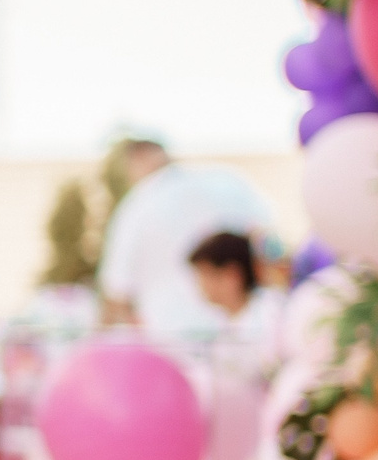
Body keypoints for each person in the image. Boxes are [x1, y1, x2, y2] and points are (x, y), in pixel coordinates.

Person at [96, 138, 276, 335]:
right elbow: (271, 250)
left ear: (137, 159)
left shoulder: (137, 204)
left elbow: (117, 292)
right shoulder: (229, 182)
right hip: (245, 331)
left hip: (167, 340)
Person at [188, 229, 285, 364]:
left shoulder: (271, 312)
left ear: (232, 275)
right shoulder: (228, 321)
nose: (201, 284)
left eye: (205, 274)